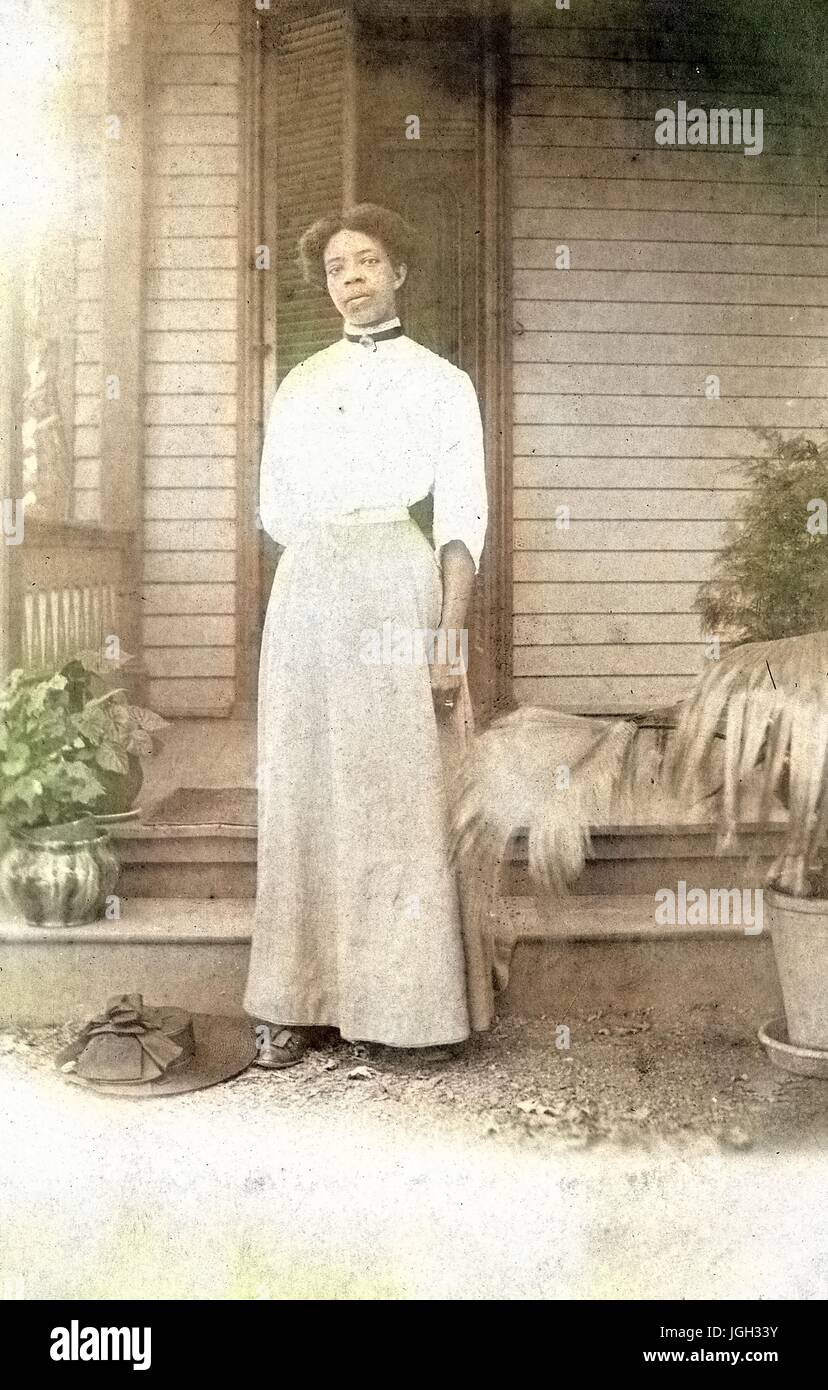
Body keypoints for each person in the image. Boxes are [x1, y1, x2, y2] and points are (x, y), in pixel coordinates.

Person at [244, 203, 490, 1067]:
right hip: (311, 585)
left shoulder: (442, 382)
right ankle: (295, 999)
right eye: (336, 268)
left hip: (396, 580)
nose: (350, 278)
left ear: (399, 273)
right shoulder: (301, 382)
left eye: (366, 262)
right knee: (306, 782)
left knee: (397, 791)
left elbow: (460, 520)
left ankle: (409, 1007)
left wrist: (447, 638)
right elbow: (276, 506)